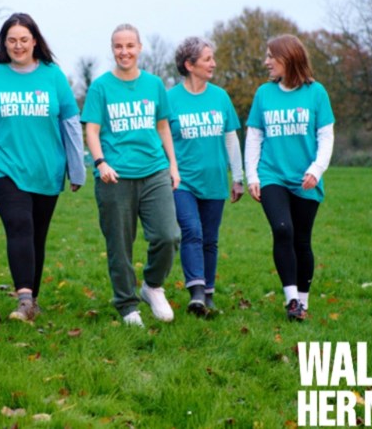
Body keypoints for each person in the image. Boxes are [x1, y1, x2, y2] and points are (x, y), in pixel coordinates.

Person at [0, 13, 84, 322]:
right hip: (2, 166)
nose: (18, 46)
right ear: (4, 43)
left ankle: (33, 299)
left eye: (24, 40)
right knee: (19, 224)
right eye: (12, 40)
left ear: (35, 41)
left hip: (46, 168)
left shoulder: (54, 76)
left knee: (36, 235)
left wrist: (77, 169)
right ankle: (24, 299)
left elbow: (70, 124)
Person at [82, 23, 181, 328]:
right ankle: (126, 304)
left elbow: (163, 127)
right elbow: (92, 130)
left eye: (129, 46)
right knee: (120, 246)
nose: (124, 51)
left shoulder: (154, 85)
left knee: (168, 235)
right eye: (118, 46)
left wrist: (173, 165)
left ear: (139, 48)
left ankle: (152, 286)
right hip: (115, 177)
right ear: (113, 49)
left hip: (154, 171)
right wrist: (101, 163)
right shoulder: (100, 87)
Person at [244, 34, 334, 322]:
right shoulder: (264, 94)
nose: (266, 62)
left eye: (271, 56)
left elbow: (326, 136)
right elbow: (254, 137)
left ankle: (303, 303)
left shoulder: (316, 93)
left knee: (302, 241)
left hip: (306, 178)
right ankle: (292, 300)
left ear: (288, 58)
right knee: (283, 230)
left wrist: (316, 170)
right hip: (272, 175)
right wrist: (252, 175)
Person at [168, 37, 244, 318]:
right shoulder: (169, 99)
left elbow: (231, 138)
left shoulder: (220, 97)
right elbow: (161, 139)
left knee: (210, 239)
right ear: (189, 65)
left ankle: (208, 295)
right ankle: (196, 292)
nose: (213, 63)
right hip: (182, 182)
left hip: (214, 180)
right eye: (207, 59)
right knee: (192, 231)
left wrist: (238, 177)